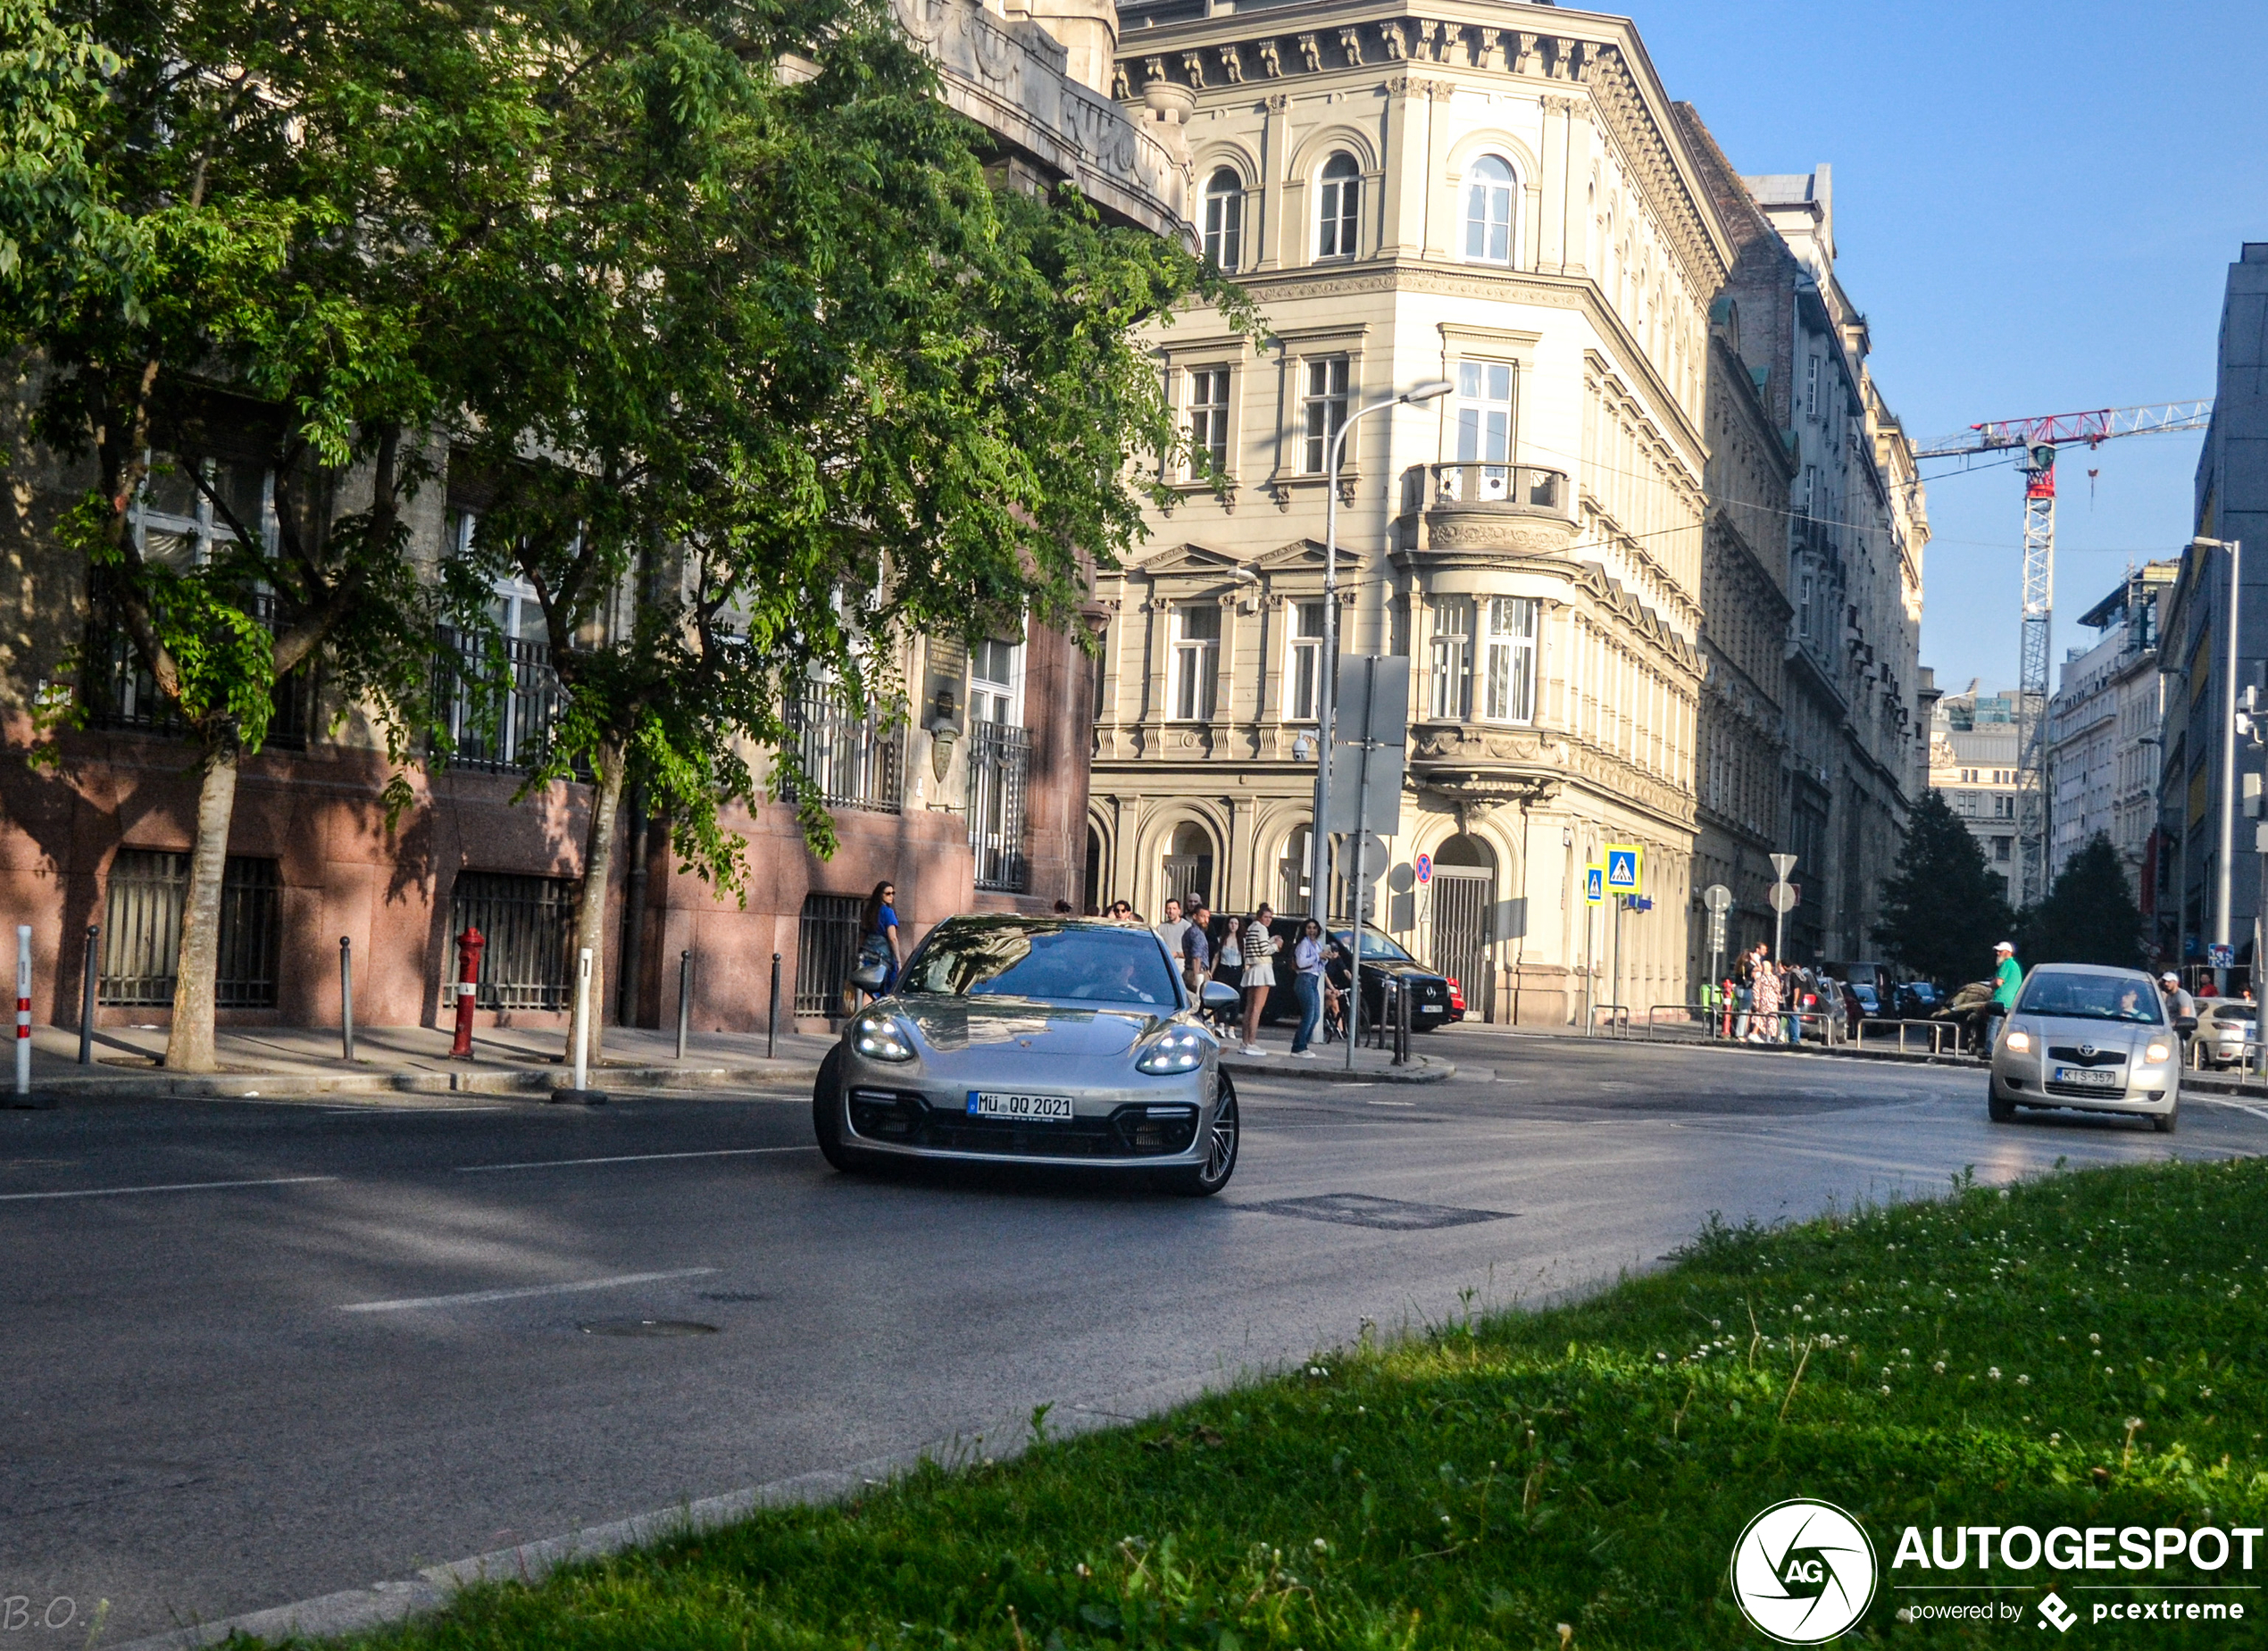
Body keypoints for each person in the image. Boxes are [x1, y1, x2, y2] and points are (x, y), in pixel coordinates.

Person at [1238, 905, 1280, 1055]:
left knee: (1249, 1008)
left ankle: (1245, 1042)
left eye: (1270, 917)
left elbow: (1257, 946)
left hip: (1253, 968)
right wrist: (1276, 945)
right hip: (1262, 969)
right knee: (1257, 1009)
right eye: (1266, 917)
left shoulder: (1252, 928)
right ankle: (1251, 1042)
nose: (1268, 920)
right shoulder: (1261, 928)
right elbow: (1264, 950)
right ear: (1260, 917)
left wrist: (1270, 941)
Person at [857, 880, 902, 1002]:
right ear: (880, 895)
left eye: (893, 893)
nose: (891, 896)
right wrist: (898, 960)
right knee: (878, 991)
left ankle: (863, 1014)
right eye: (888, 893)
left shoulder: (869, 911)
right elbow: (892, 938)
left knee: (867, 989)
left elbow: (862, 934)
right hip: (882, 958)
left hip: (867, 954)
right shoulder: (888, 912)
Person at [1289, 918, 1327, 1058]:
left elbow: (1319, 964)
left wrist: (1326, 957)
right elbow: (1300, 962)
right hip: (1305, 979)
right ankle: (1298, 1047)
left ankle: (1303, 1045)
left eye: (1314, 928)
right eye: (1309, 928)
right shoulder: (1303, 944)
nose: (1312, 931)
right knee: (1309, 1014)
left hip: (1314, 979)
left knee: (1316, 1014)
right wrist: (1318, 956)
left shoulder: (1316, 944)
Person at [1985, 940, 2022, 1049]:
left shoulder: (2006, 964)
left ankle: (1989, 1049)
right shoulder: (2015, 966)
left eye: (2000, 951)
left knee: (1993, 1025)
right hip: (2011, 1002)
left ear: (2007, 953)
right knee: (2003, 1029)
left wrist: (1990, 985)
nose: (1997, 954)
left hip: (2000, 1001)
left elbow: (1998, 982)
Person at [2161, 970, 2198, 1061]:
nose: (2166, 984)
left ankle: (2176, 1060)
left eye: (2169, 982)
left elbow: (2184, 1017)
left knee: (2171, 1036)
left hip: (2184, 1028)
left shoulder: (2182, 995)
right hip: (2172, 1026)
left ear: (2176, 982)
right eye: (2164, 981)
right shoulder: (2169, 996)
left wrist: (2171, 1025)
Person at [1180, 900, 1215, 996]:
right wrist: (1197, 977)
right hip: (1197, 973)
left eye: (1208, 917)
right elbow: (1196, 957)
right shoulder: (1197, 934)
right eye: (1203, 916)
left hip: (1189, 971)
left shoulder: (1190, 931)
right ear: (1195, 916)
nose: (1206, 920)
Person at [1154, 897, 1189, 963]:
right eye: (1169, 908)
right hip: (1165, 966)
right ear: (1165, 911)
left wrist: (1177, 954)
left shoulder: (1187, 927)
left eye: (1174, 908)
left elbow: (1192, 951)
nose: (1171, 911)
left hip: (1182, 968)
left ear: (1179, 911)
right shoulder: (1160, 928)